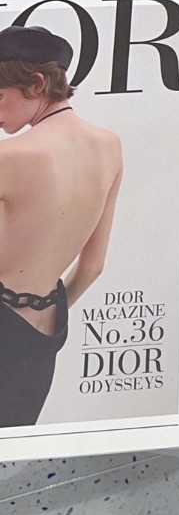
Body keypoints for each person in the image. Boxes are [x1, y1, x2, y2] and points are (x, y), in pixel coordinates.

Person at [0, 25, 123, 428]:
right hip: (44, 338)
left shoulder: (9, 157)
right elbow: (93, 267)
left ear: (36, 84)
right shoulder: (109, 145)